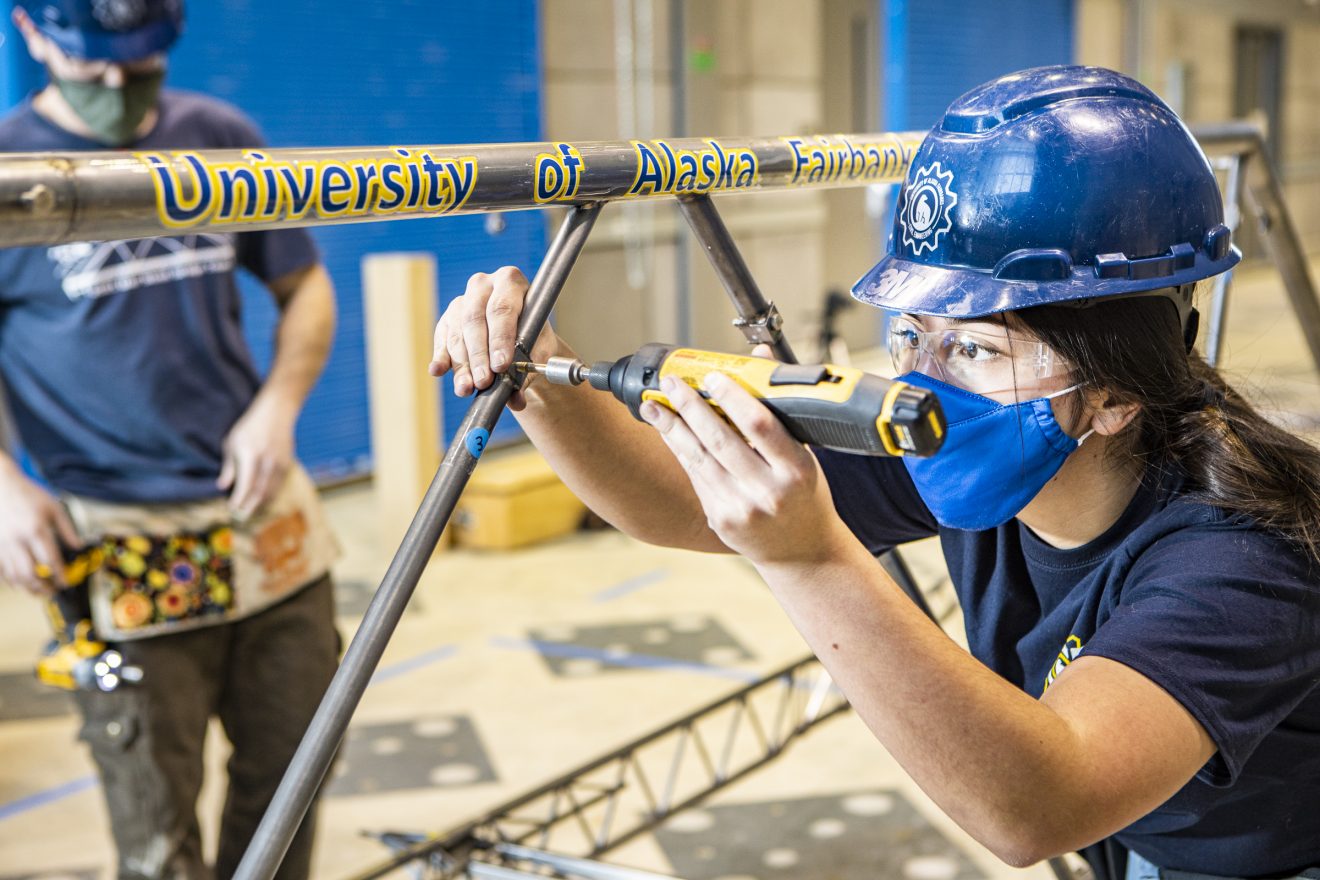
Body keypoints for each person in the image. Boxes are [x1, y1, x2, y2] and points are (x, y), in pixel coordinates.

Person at [430, 66, 1320, 879]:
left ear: (1117, 392)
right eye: (912, 335)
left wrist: (810, 559)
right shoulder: (988, 444)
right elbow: (678, 503)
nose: (927, 381)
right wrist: (537, 380)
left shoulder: (1243, 556)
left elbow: (1040, 803)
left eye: (973, 346)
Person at [0, 2, 341, 878]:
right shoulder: (10, 173)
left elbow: (305, 286)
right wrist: (3, 483)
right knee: (158, 832)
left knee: (292, 786)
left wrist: (277, 406)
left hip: (266, 528)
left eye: (140, 63)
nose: (119, 84)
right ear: (34, 34)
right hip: (118, 542)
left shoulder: (217, 137)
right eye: (94, 65)